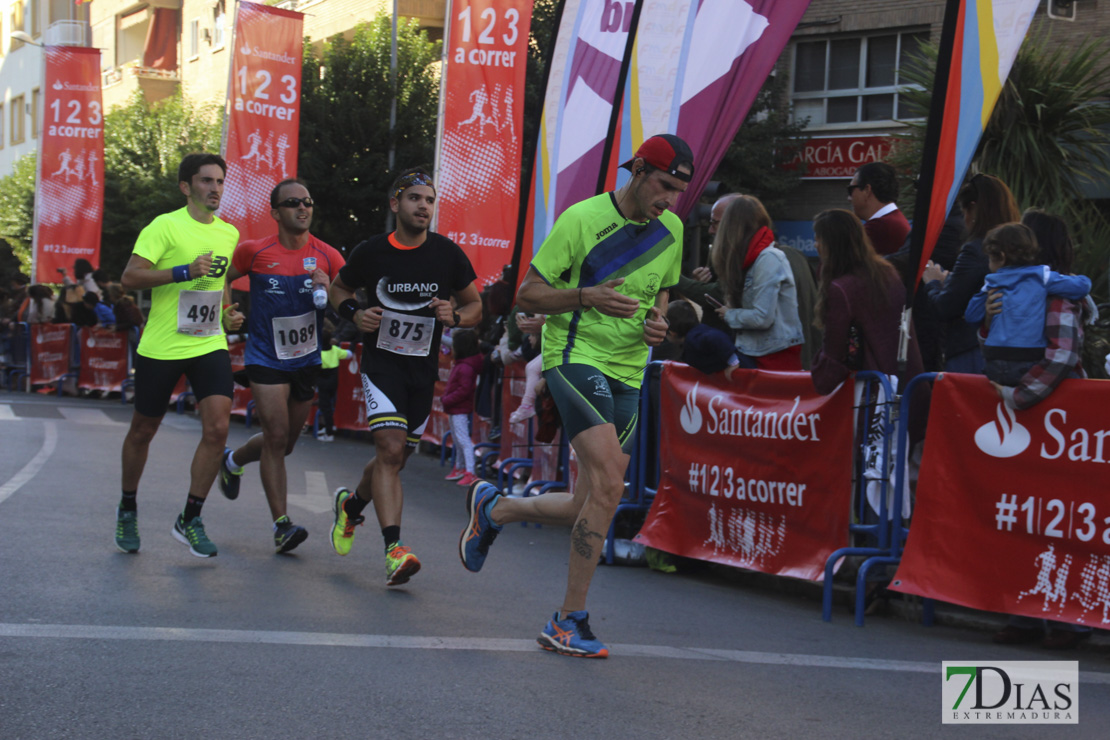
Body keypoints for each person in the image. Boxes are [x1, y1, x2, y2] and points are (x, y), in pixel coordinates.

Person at [458, 133, 692, 658]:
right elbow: (528, 294)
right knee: (612, 483)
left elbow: (662, 293)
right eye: (663, 186)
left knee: (588, 502)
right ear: (637, 172)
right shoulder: (582, 220)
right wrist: (586, 296)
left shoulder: (672, 229)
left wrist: (658, 324)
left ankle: (496, 510)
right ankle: (567, 620)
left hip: (631, 371)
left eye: (677, 191)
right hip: (574, 356)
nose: (669, 200)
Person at [328, 167, 482, 586]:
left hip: (421, 371)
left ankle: (351, 507)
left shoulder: (447, 254)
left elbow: (475, 306)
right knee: (390, 447)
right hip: (382, 366)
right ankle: (394, 549)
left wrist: (458, 315)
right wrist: (354, 314)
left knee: (393, 458)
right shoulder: (372, 251)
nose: (424, 207)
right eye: (415, 198)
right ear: (395, 203)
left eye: (430, 200)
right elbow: (337, 289)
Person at [115, 153, 244, 557]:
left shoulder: (228, 233)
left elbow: (220, 281)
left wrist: (227, 313)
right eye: (206, 181)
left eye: (220, 181)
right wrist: (182, 271)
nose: (215, 188)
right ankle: (128, 507)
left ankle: (190, 517)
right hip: (163, 346)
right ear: (186, 187)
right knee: (143, 430)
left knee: (218, 429)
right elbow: (130, 277)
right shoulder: (165, 226)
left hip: (207, 342)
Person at [987, 210, 1096, 650]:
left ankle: (1067, 621)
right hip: (1037, 421)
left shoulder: (1054, 294)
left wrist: (1016, 396)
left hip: (1058, 425)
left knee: (1060, 520)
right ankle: (1028, 613)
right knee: (1025, 518)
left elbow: (1061, 356)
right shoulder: (1020, 291)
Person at [217, 178, 345, 553]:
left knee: (286, 443)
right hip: (264, 356)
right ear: (275, 212)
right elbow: (222, 278)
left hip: (306, 359)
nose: (302, 208)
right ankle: (282, 525)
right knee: (274, 435)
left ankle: (233, 460)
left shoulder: (327, 255)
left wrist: (330, 287)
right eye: (292, 203)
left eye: (307, 201)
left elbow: (347, 296)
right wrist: (226, 311)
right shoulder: (255, 251)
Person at [964, 222, 1090, 387]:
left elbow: (971, 316)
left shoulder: (992, 283)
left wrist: (986, 311)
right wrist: (1075, 278)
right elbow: (1082, 287)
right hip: (1030, 361)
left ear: (1000, 256)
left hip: (994, 360)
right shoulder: (1042, 278)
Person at [810, 209, 923, 392]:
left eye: (818, 239)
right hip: (908, 386)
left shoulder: (842, 289)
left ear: (831, 244)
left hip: (876, 398)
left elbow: (833, 356)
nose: (816, 245)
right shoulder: (887, 273)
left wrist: (819, 376)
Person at [922, 173, 1021, 373]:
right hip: (1014, 346)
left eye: (964, 210)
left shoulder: (975, 250)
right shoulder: (1021, 245)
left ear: (973, 208)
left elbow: (946, 307)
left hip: (970, 350)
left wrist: (934, 282)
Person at [711, 195, 804, 370]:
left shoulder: (768, 258)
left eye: (718, 224)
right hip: (757, 351)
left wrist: (730, 314)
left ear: (733, 227)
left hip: (774, 355)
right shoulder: (746, 261)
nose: (712, 231)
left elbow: (762, 318)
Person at [442, 328, 483, 487]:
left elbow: (464, 390)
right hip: (455, 407)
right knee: (458, 439)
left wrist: (447, 399)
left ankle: (470, 471)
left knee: (463, 440)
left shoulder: (465, 367)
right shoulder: (464, 365)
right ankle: (460, 467)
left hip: (459, 407)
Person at [848, 162, 910, 256]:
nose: (849, 198)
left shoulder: (878, 227)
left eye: (850, 190)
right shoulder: (893, 221)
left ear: (867, 190)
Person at [316, 326, 353, 441]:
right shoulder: (335, 350)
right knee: (330, 406)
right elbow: (349, 354)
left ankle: (329, 433)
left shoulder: (318, 353)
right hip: (334, 381)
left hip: (322, 382)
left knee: (325, 407)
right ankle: (329, 426)